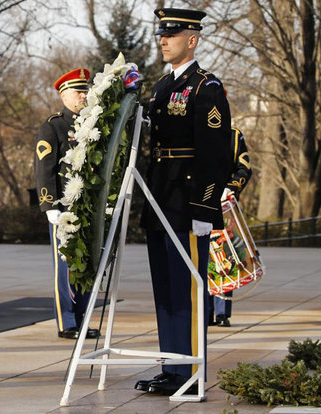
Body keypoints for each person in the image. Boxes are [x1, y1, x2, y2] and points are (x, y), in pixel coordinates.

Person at [136, 8, 231, 395]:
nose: (163, 40)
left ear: (191, 39)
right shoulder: (161, 87)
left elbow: (215, 154)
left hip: (188, 202)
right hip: (160, 196)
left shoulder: (205, 87)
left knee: (189, 289)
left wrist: (206, 208)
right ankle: (173, 367)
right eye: (161, 34)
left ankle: (191, 373)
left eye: (171, 34)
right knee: (166, 288)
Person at [34, 68, 100, 340]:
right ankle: (67, 320)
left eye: (85, 90)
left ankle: (83, 318)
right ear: (63, 95)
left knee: (87, 264)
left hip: (88, 207)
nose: (83, 95)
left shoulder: (93, 123)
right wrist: (48, 204)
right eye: (78, 91)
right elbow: (44, 167)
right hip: (64, 208)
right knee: (66, 266)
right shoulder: (53, 126)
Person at [208, 126, 252, 327]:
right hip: (196, 202)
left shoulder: (233, 135)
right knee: (202, 259)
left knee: (224, 257)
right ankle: (206, 312)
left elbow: (244, 168)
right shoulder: (194, 129)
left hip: (223, 205)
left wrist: (230, 189)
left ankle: (222, 312)